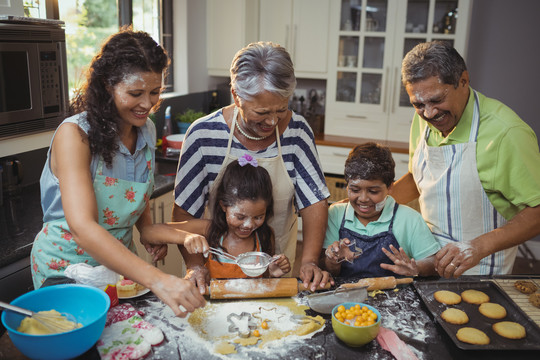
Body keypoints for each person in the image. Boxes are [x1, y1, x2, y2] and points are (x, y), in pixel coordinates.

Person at [30, 28, 206, 317]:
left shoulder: (146, 130)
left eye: (155, 92)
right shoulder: (75, 136)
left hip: (120, 269)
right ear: (106, 86)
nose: (148, 104)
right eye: (135, 93)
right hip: (66, 270)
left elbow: (144, 227)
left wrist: (186, 235)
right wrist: (159, 279)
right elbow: (83, 229)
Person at [173, 41, 332, 292]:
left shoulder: (297, 131)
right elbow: (184, 214)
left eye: (281, 109)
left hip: (275, 272)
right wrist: (195, 267)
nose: (272, 121)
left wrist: (310, 260)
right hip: (213, 272)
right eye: (262, 112)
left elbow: (314, 203)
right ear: (236, 95)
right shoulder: (203, 134)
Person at [391, 41, 540, 278]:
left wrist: (477, 247)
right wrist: (369, 202)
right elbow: (420, 178)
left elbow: (537, 211)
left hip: (479, 271)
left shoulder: (506, 133)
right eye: (418, 104)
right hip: (426, 259)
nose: (429, 113)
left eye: (437, 100)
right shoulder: (426, 118)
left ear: (463, 81)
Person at [321, 143, 440, 278]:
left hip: (395, 296)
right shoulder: (335, 214)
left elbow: (433, 263)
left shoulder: (409, 219)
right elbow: (328, 271)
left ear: (390, 187)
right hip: (346, 296)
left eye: (373, 191)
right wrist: (333, 261)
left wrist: (416, 268)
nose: (363, 198)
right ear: (347, 186)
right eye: (355, 190)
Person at [204, 155, 290, 278]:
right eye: (240, 217)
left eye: (258, 217)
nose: (249, 225)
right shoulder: (208, 230)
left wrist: (273, 272)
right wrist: (188, 240)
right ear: (223, 206)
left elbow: (264, 278)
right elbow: (169, 230)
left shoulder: (265, 236)